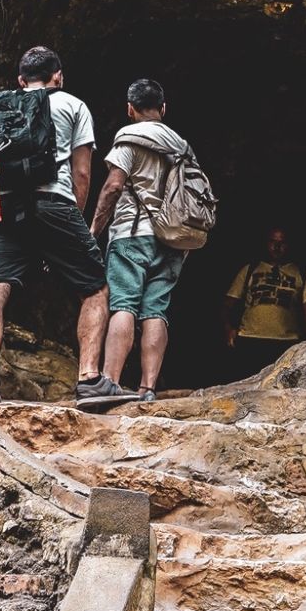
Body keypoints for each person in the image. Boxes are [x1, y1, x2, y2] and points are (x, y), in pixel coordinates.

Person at [0, 45, 138, 409]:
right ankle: (89, 379)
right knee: (95, 288)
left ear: (20, 80)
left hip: (0, 208)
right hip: (54, 203)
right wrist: (79, 223)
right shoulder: (73, 105)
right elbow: (82, 172)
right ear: (59, 76)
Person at [90, 78, 191, 402]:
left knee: (123, 304)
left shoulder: (128, 140)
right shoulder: (181, 146)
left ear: (129, 109)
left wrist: (94, 230)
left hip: (132, 235)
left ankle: (110, 381)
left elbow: (114, 186)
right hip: (173, 238)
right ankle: (148, 388)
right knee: (156, 310)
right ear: (164, 108)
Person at [223, 227, 306, 376]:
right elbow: (227, 304)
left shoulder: (301, 273)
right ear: (266, 243)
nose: (277, 246)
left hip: (287, 343)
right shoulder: (250, 269)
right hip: (249, 339)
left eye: (282, 242)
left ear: (289, 245)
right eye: (273, 241)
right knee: (244, 390)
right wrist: (229, 329)